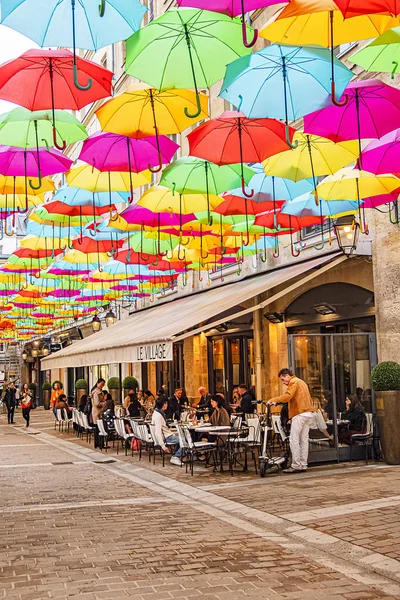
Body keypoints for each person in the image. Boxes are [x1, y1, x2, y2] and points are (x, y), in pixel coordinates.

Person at [268, 368, 315, 474]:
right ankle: (303, 464)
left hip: (300, 413)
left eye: (283, 379)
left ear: (287, 376)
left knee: (294, 439)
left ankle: (296, 465)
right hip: (308, 413)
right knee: (303, 440)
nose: (284, 382)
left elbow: (287, 396)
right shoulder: (302, 382)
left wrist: (273, 400)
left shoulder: (293, 382)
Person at [151, 396, 183, 466]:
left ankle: (176, 455)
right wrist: (163, 445)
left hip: (167, 435)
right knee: (184, 440)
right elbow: (158, 432)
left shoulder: (157, 412)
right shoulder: (158, 415)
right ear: (164, 404)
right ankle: (176, 456)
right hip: (167, 437)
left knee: (182, 436)